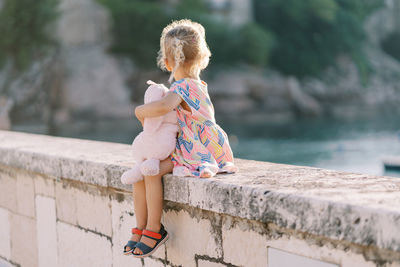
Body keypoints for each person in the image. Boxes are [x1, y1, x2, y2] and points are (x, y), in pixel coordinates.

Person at [124, 19, 238, 258]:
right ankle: (140, 228)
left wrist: (139, 112)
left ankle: (154, 229)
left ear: (167, 62)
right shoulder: (198, 84)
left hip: (194, 151)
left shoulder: (182, 88)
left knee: (149, 171)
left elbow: (164, 106)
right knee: (140, 173)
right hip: (198, 146)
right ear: (201, 58)